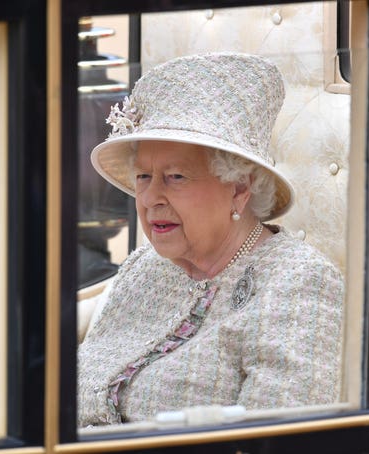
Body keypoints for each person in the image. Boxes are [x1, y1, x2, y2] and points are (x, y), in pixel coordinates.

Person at [77, 52, 344, 427]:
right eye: (142, 177)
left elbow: (278, 441)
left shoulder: (299, 283)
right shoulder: (144, 268)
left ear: (239, 188)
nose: (151, 198)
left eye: (176, 177)